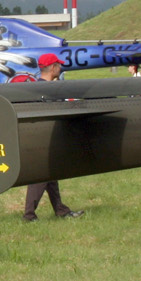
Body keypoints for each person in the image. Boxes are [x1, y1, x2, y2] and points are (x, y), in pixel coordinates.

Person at [12, 54, 85, 220]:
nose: (60, 68)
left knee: (50, 175)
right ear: (53, 67)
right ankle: (29, 215)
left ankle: (61, 210)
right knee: (42, 174)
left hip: (38, 137)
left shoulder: (34, 87)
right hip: (44, 139)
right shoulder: (49, 90)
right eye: (58, 65)